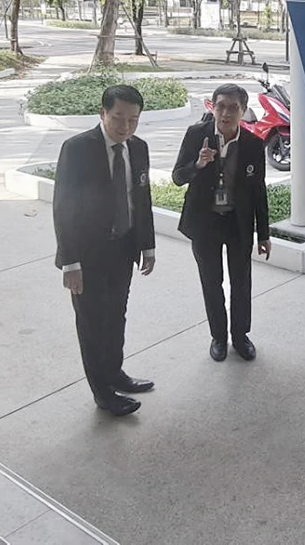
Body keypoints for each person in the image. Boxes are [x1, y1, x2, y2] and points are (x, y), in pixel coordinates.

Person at [53, 85, 156, 417]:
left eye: (133, 120)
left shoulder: (138, 148)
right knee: (92, 323)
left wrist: (147, 245)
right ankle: (103, 392)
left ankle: (115, 373)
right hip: (87, 255)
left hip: (123, 248)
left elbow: (141, 199)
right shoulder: (77, 149)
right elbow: (63, 207)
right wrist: (70, 262)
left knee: (116, 315)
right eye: (118, 118)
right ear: (103, 113)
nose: (125, 127)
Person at [172, 84, 272, 363]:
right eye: (221, 107)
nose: (226, 113)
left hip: (237, 223)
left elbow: (258, 191)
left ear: (243, 111)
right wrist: (197, 165)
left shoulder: (253, 144)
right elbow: (177, 177)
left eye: (233, 108)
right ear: (212, 107)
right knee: (211, 281)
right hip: (204, 223)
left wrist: (264, 234)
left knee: (241, 282)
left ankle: (240, 336)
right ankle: (218, 337)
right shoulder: (196, 135)